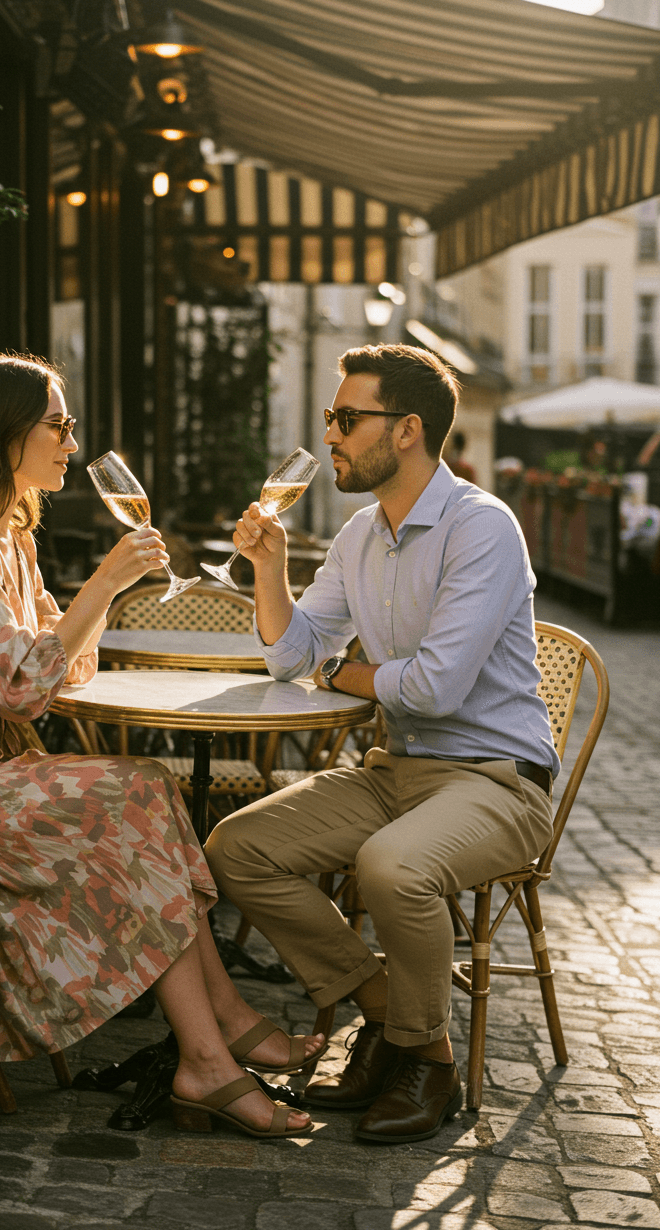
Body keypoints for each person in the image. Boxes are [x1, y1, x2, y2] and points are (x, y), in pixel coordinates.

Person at [0, 353, 322, 1138]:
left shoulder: (12, 538)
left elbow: (73, 666)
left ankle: (220, 1032)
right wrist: (103, 586)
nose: (72, 443)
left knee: (150, 788)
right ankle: (210, 1055)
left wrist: (102, 599)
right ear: (4, 435)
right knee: (132, 795)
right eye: (59, 426)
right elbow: (21, 688)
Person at [205, 343, 558, 1145]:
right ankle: (397, 1018)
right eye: (331, 418)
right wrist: (268, 568)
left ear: (405, 430)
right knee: (235, 848)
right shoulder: (361, 532)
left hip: (498, 781)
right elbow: (295, 656)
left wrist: (341, 669)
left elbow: (433, 687)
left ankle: (426, 1068)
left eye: (345, 418)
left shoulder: (482, 528)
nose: (330, 433)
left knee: (391, 866)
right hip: (397, 771)